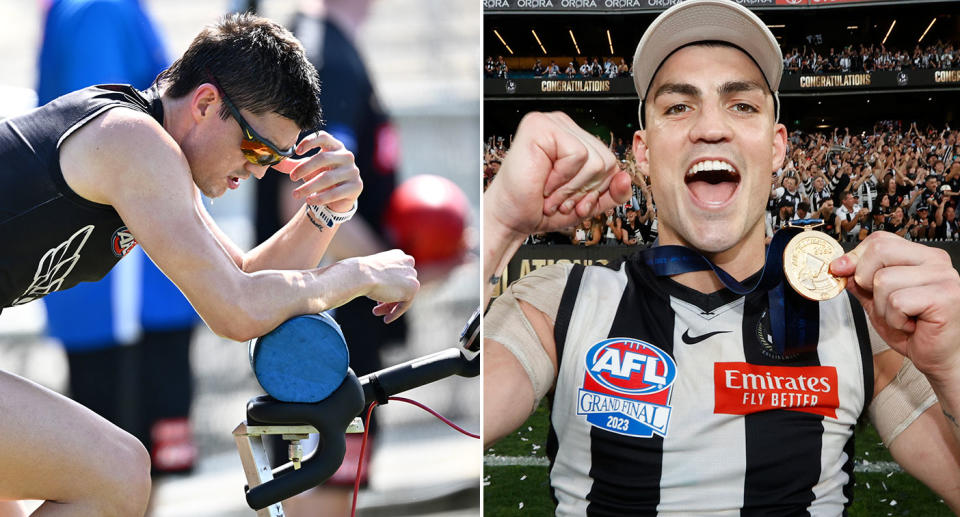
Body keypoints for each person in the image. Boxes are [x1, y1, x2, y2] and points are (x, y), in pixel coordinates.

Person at [482, 0, 960, 513]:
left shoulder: (856, 321)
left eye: (742, 105)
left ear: (777, 147)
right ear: (643, 152)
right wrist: (497, 225)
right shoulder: (560, 302)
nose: (711, 128)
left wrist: (953, 364)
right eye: (678, 106)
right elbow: (411, 436)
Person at [0, 13, 418, 516]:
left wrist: (325, 211)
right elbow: (236, 311)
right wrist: (362, 273)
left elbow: (245, 281)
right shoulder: (134, 142)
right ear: (204, 104)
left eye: (273, 159)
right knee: (119, 473)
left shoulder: (151, 147)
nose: (258, 171)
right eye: (257, 148)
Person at [36, 0, 201, 476]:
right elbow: (106, 144)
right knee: (120, 474)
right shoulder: (99, 9)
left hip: (133, 291)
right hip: (123, 296)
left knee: (134, 474)